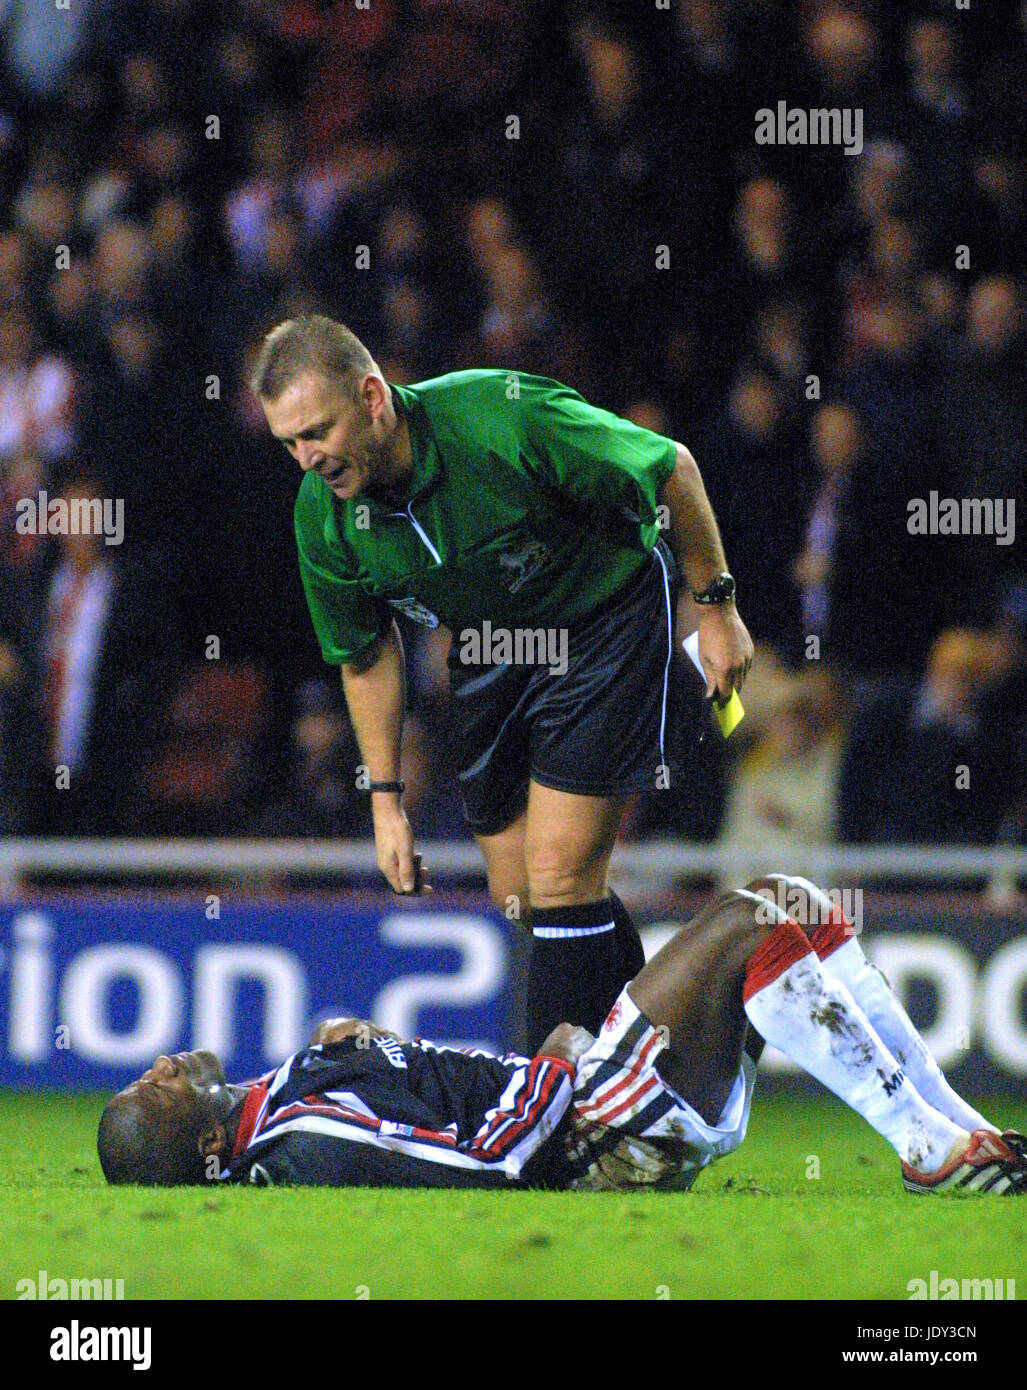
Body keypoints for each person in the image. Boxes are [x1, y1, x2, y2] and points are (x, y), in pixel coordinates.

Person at [249, 314, 754, 1051]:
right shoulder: (322, 517)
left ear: (371, 395)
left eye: (316, 431)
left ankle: (554, 1121)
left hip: (601, 621)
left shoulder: (501, 415)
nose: (306, 458)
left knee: (558, 875)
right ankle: (661, 1047)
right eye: (288, 442)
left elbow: (669, 465)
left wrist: (716, 609)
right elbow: (363, 653)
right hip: (489, 649)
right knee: (521, 896)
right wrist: (386, 804)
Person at [97, 875, 1026, 1196]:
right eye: (158, 1091)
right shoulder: (302, 1133)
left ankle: (948, 1129)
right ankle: (922, 1146)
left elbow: (426, 1102)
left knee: (791, 905)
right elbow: (478, 1164)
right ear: (210, 1146)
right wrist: (551, 1075)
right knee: (752, 917)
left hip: (585, 1106)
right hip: (589, 1130)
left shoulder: (281, 1094)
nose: (163, 1063)